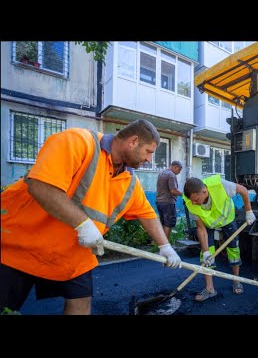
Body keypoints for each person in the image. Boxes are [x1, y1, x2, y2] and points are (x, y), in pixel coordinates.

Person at [0, 119, 182, 315]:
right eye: (149, 152)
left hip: (73, 254)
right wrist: (83, 224)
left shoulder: (129, 182)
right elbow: (40, 186)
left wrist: (165, 247)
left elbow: (147, 215)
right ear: (133, 141)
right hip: (19, 245)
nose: (149, 160)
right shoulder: (78, 142)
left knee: (81, 302)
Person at [183, 175, 256, 301]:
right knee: (206, 254)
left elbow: (243, 190)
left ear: (204, 192)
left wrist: (249, 212)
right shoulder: (190, 201)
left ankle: (236, 281)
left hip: (227, 219)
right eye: (192, 200)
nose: (193, 203)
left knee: (233, 249)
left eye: (196, 199)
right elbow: (200, 228)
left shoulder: (220, 185)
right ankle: (210, 289)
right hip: (208, 224)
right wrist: (206, 251)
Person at [156, 161, 183, 241]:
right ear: (175, 167)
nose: (179, 172)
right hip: (168, 202)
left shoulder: (162, 173)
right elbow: (173, 190)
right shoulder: (171, 175)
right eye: (179, 169)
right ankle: (166, 245)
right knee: (168, 224)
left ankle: (160, 243)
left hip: (159, 201)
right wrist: (183, 194)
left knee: (163, 223)